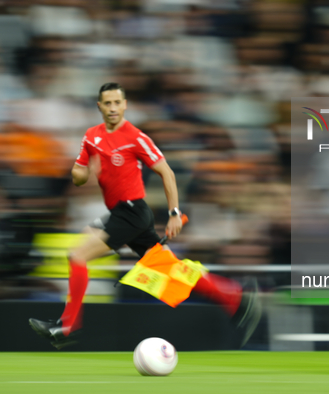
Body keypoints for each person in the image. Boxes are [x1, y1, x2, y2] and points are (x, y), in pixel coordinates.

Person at [29, 83, 261, 349]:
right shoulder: (91, 136)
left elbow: (167, 173)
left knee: (77, 255)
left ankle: (67, 326)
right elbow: (80, 176)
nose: (113, 108)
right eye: (107, 103)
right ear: (100, 107)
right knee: (169, 268)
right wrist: (80, 173)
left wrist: (175, 213)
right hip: (121, 212)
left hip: (132, 212)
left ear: (124, 105)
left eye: (117, 102)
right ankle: (234, 296)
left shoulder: (136, 137)